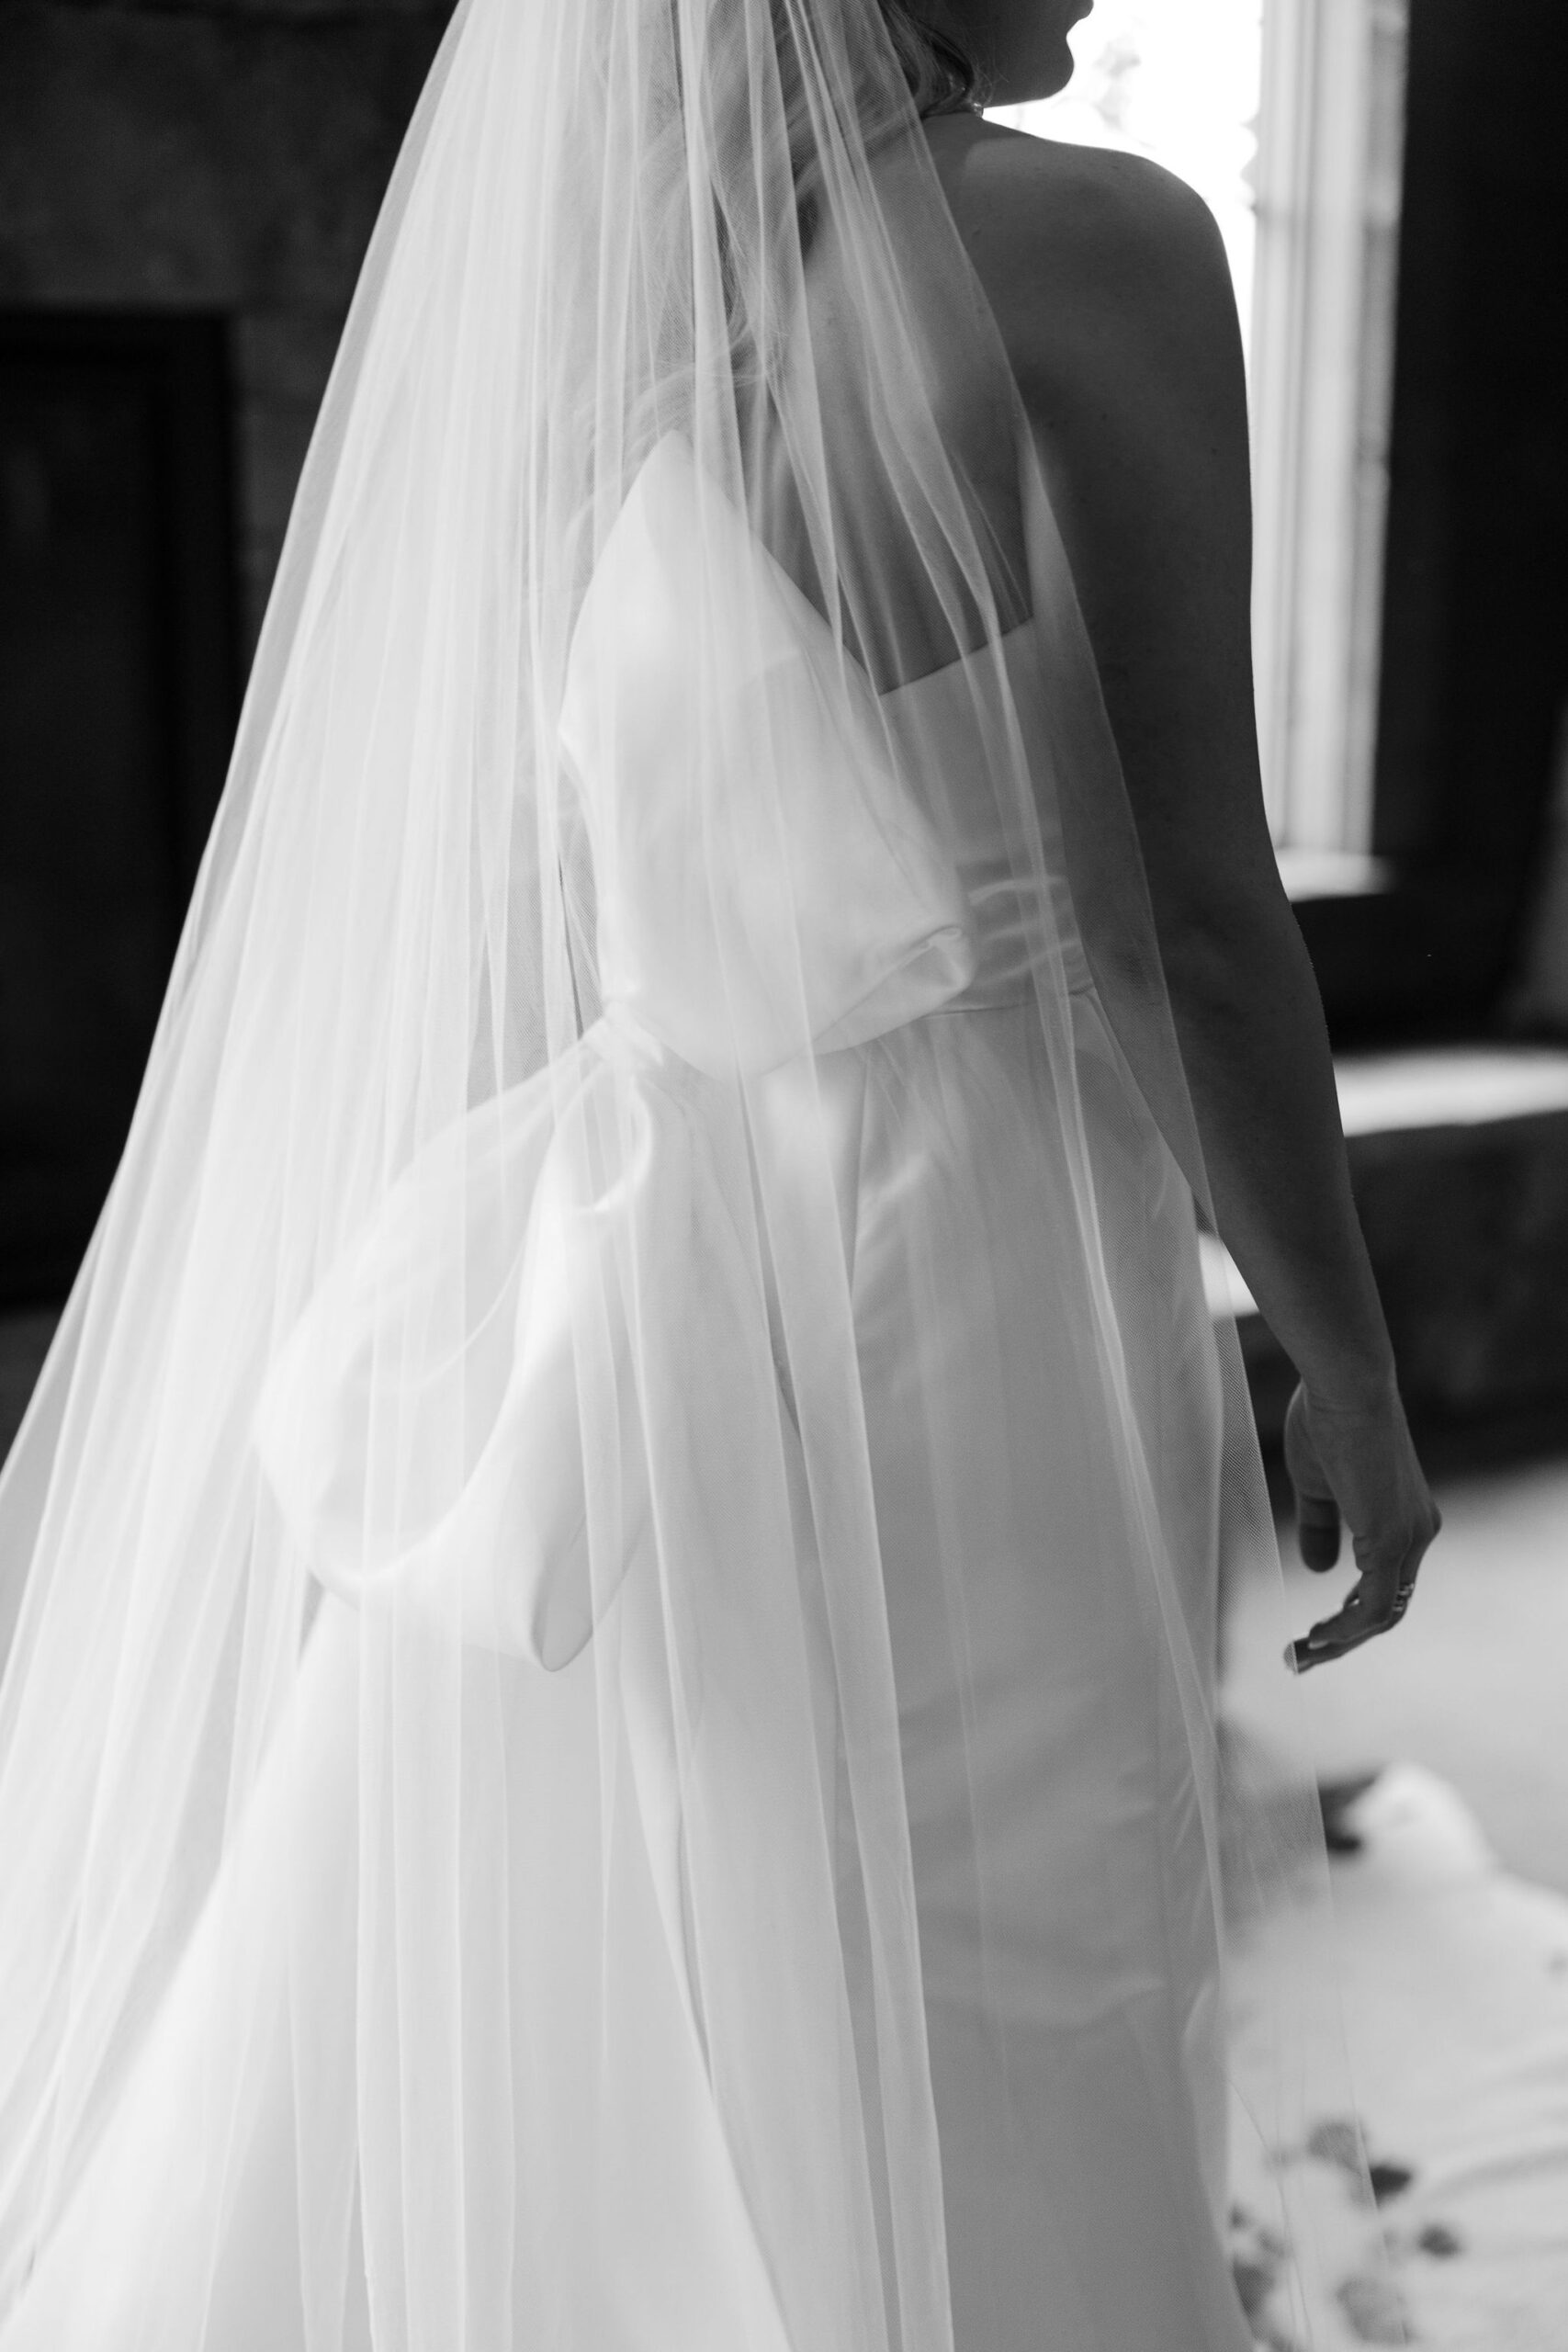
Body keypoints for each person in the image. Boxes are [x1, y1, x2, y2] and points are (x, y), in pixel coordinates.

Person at [0, 1, 1438, 2346]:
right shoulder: (1093, 250)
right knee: (1015, 1945)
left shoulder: (590, 321)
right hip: (973, 1251)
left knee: (698, 1915)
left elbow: (591, 883)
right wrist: (1348, 1364)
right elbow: (1179, 910)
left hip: (670, 1255)